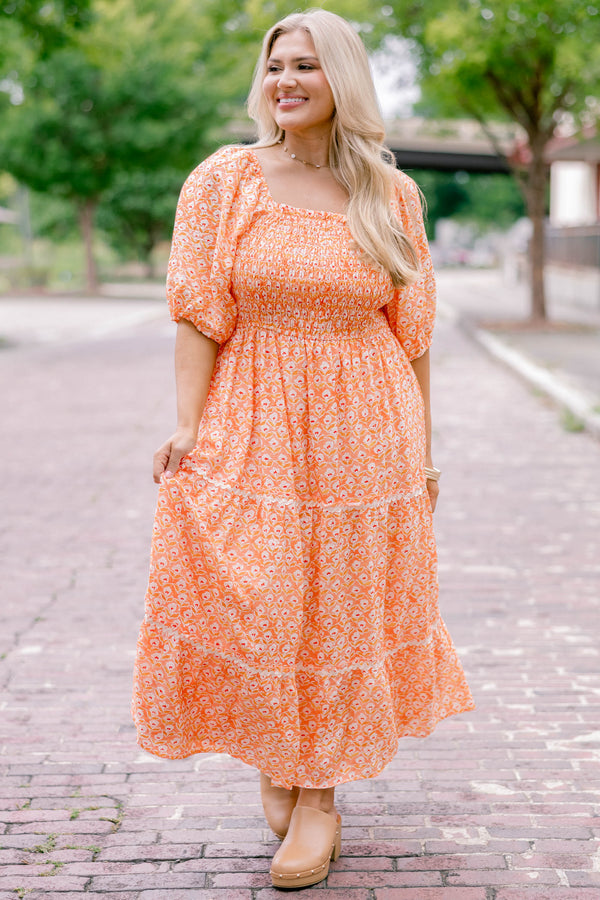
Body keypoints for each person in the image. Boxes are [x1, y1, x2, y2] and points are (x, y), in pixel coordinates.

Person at [132, 8, 474, 890]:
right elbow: (198, 312)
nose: (285, 81)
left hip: (368, 424)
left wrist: (424, 453)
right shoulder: (225, 181)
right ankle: (278, 753)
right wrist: (188, 423)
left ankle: (317, 792)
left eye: (307, 68)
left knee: (340, 606)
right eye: (276, 65)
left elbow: (415, 335)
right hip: (257, 412)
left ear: (344, 82)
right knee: (266, 593)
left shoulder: (391, 196)